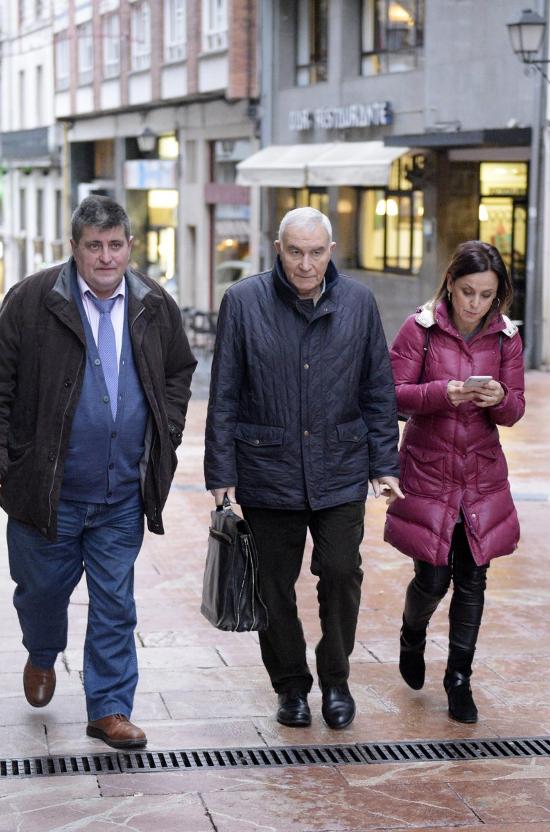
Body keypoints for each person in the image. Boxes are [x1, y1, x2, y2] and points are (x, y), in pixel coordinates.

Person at [0, 195, 196, 749]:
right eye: (93, 246)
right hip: (48, 491)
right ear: (74, 248)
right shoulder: (33, 301)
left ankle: (110, 707)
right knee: (41, 591)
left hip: (121, 494)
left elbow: (177, 374)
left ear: (130, 247)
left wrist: (167, 432)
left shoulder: (154, 305)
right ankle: (42, 652)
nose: (105, 257)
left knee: (116, 600)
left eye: (115, 245)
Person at [205, 207, 403, 730]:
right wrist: (220, 471)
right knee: (273, 586)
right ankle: (290, 686)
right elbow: (223, 393)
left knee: (341, 573)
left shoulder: (358, 302)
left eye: (316, 252)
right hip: (267, 469)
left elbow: (378, 389)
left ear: (331, 251)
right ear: (278, 248)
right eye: (295, 251)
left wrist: (386, 463)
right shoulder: (243, 302)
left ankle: (336, 680)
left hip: (340, 465)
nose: (306, 263)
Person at [384, 240, 526, 723]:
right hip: (429, 470)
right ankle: (411, 630)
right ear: (450, 283)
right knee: (432, 576)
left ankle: (459, 680)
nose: (475, 303)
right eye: (467, 291)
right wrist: (443, 393)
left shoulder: (507, 337)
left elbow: (516, 410)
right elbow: (393, 396)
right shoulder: (420, 330)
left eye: (486, 295)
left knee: (473, 577)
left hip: (481, 475)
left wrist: (499, 397)